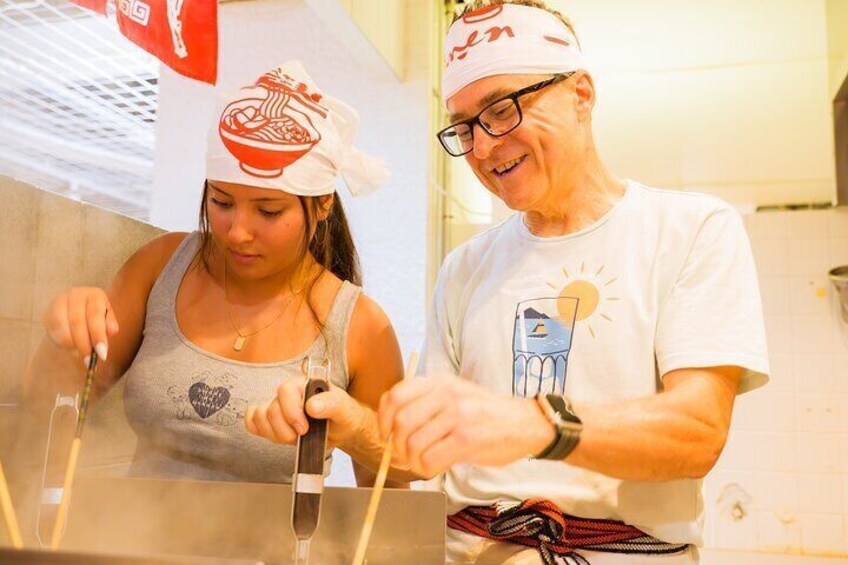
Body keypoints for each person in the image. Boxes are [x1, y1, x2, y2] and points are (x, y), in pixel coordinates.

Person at [377, 1, 770, 563]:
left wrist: (539, 425)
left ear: (580, 94)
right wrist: (349, 424)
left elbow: (697, 431)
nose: (483, 147)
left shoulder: (689, 230)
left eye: (502, 109)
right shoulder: (466, 266)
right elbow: (427, 456)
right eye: (464, 126)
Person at [23, 61, 412, 487]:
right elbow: (50, 408)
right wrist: (63, 338)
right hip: (133, 544)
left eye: (268, 210)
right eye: (222, 202)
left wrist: (357, 428)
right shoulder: (161, 265)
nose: (237, 232)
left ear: (321, 205)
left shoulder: (360, 327)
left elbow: (389, 493)